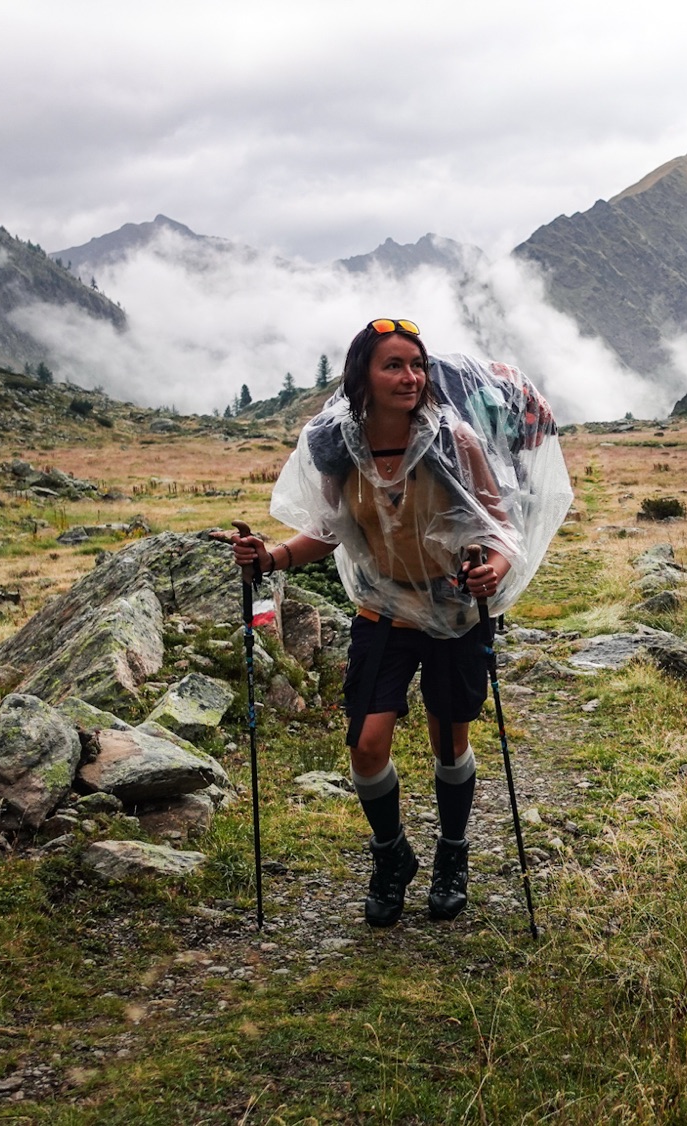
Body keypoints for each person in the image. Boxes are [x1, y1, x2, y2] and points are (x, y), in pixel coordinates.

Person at [228, 318, 542, 927]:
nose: (410, 377)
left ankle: (453, 853)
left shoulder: (456, 443)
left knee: (449, 738)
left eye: (416, 365)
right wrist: (269, 559)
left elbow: (500, 527)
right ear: (362, 378)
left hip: (454, 610)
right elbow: (328, 531)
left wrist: (493, 570)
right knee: (368, 744)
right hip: (382, 608)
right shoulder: (339, 448)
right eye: (393, 365)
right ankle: (391, 855)